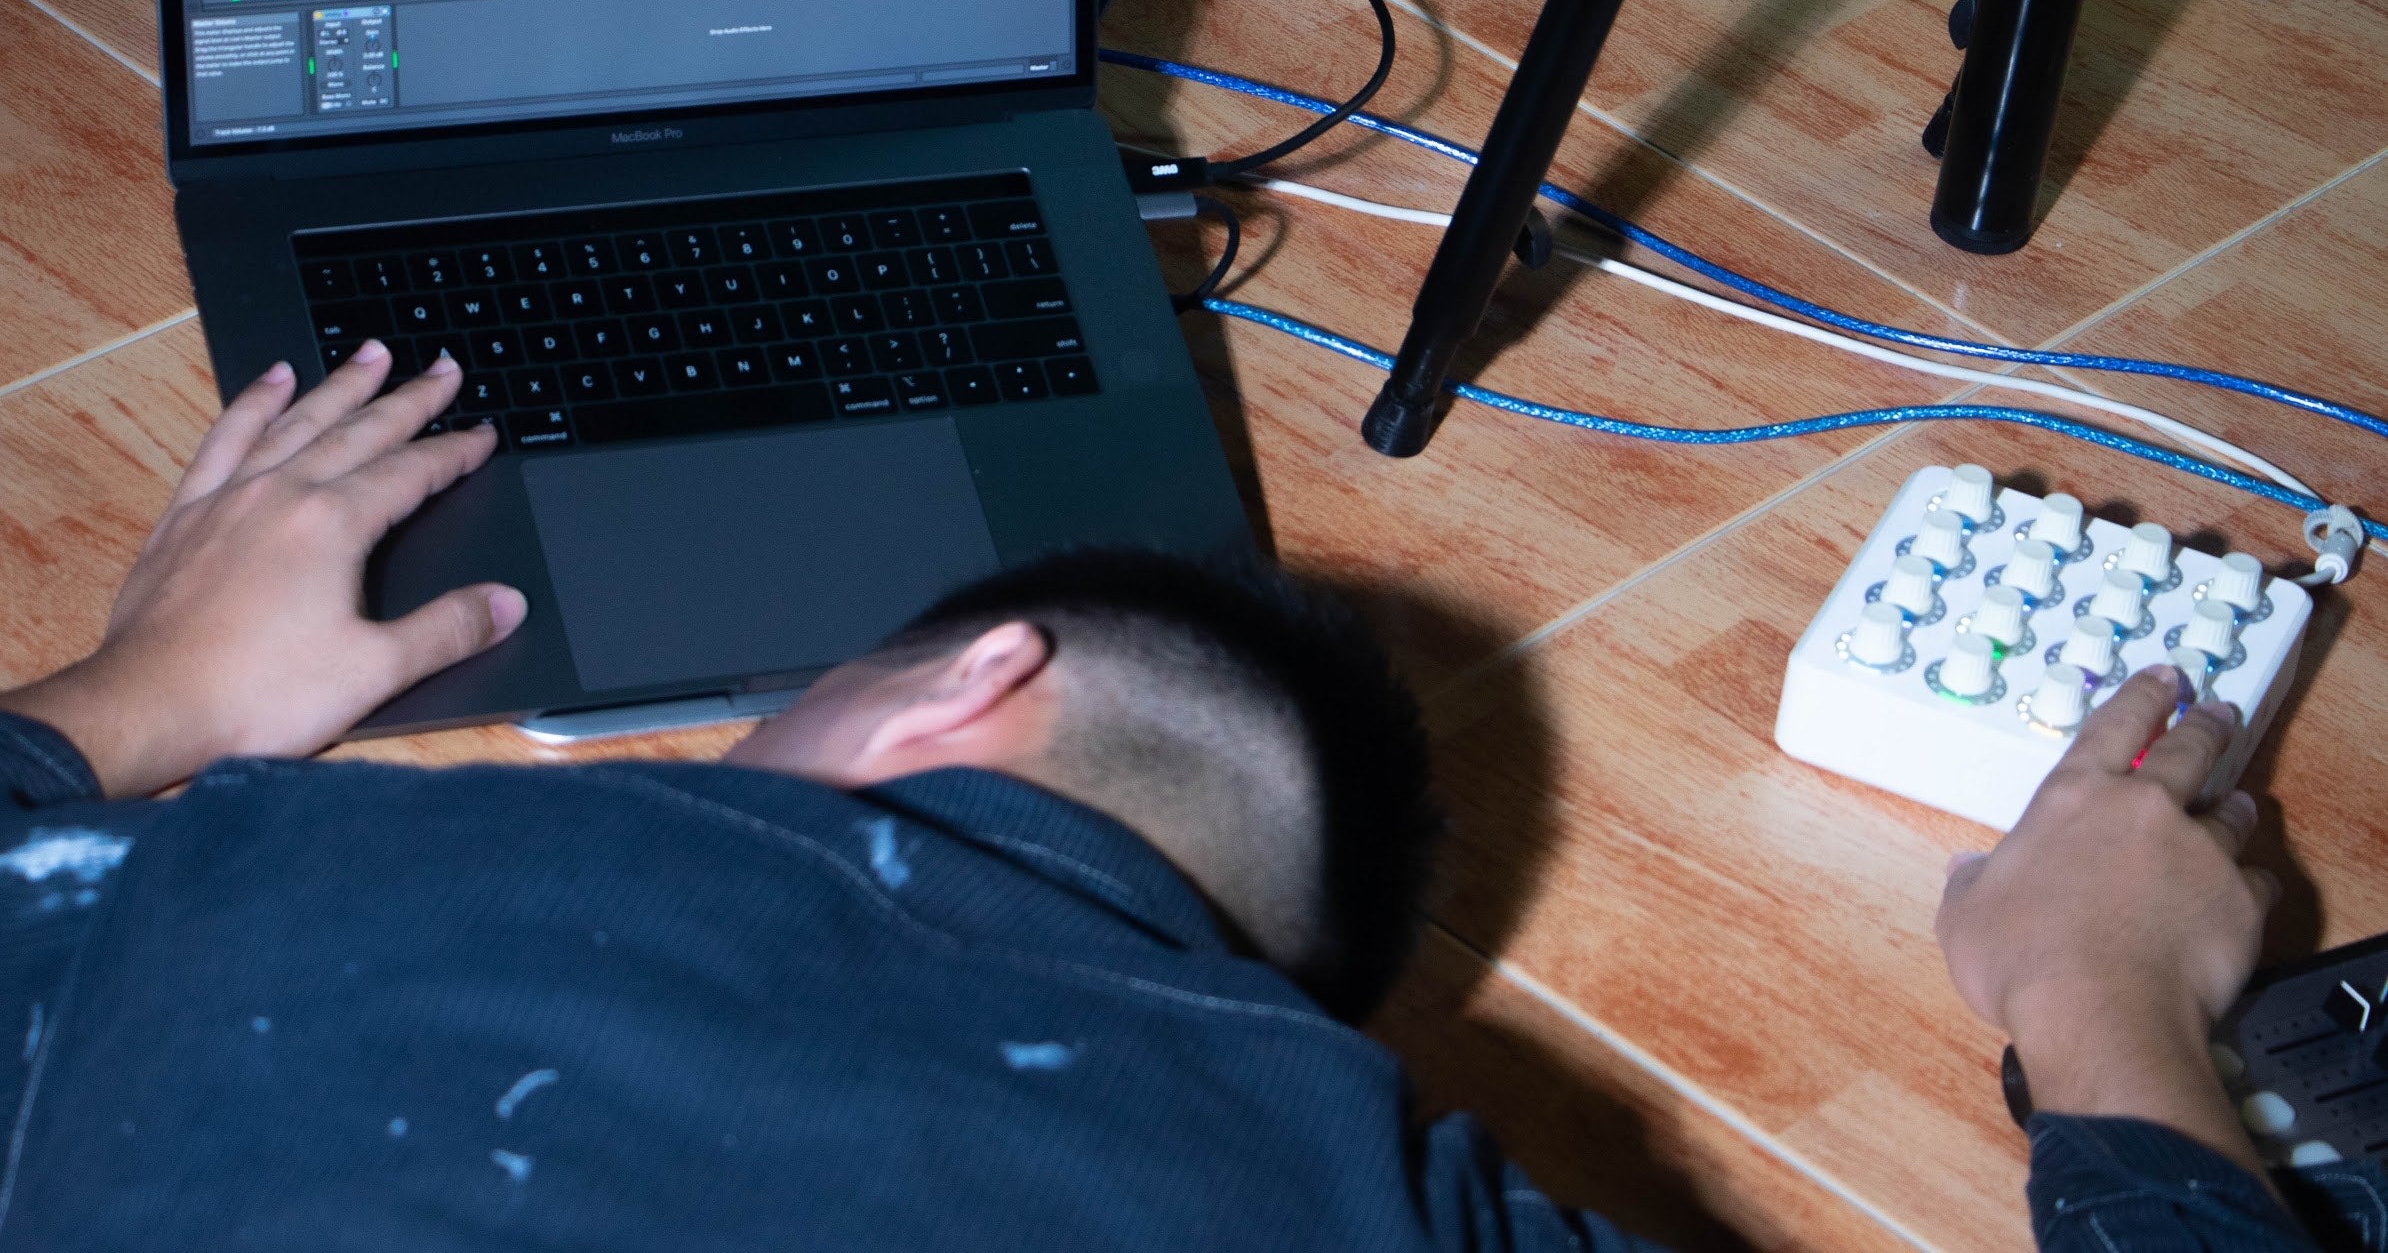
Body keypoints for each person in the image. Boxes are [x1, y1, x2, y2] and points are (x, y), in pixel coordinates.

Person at [0, 345, 2373, 1251]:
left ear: (959, 688)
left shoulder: (285, 864)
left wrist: (137, 694)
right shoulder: (1399, 1204)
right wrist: (2099, 1001)